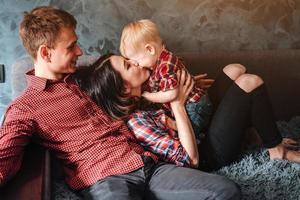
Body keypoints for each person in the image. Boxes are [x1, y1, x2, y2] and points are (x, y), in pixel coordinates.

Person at [0, 6, 241, 200]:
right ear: (45, 53)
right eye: (71, 46)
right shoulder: (25, 108)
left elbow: (133, 80)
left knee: (226, 191)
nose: (80, 51)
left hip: (148, 164)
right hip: (105, 177)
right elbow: (4, 156)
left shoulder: (87, 77)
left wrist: (177, 85)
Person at [75, 52, 300, 171]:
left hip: (200, 127)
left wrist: (192, 87)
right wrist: (178, 103)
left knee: (235, 69)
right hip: (206, 154)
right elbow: (190, 159)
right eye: (127, 65)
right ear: (123, 88)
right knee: (250, 82)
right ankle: (277, 150)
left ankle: (249, 133)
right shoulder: (137, 123)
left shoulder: (146, 91)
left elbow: (184, 91)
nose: (133, 61)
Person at [119, 19, 213, 143]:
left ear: (150, 49)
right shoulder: (158, 62)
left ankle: (200, 139)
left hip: (194, 106)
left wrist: (148, 96)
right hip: (192, 104)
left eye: (136, 60)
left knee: (191, 133)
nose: (137, 65)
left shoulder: (165, 66)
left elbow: (172, 93)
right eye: (130, 63)